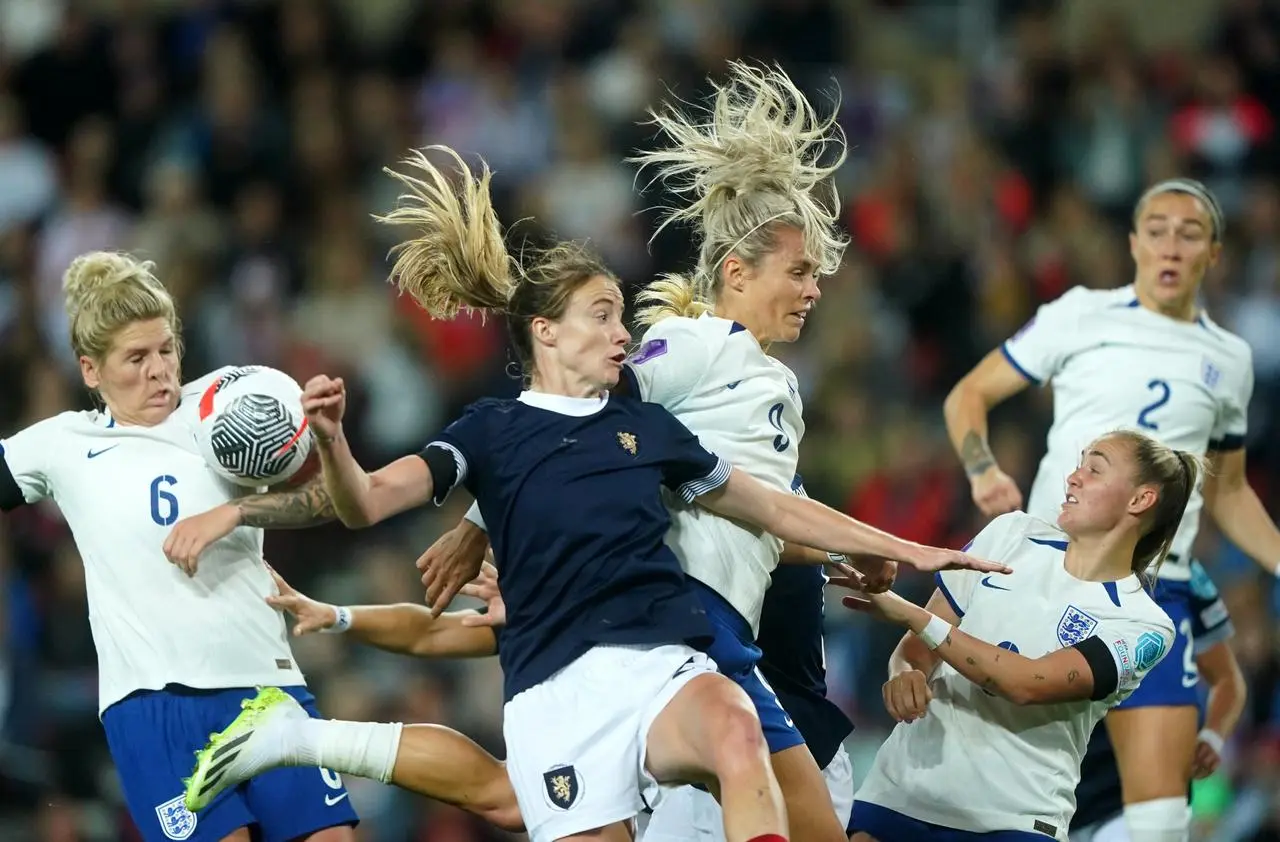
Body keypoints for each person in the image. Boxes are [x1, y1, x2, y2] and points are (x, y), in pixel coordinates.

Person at [178, 143, 1001, 842]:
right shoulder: (678, 355)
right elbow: (405, 506)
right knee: (511, 787)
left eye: (621, 320)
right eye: (605, 318)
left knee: (731, 751)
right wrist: (471, 510)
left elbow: (765, 507)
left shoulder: (679, 424)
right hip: (615, 653)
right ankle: (302, 737)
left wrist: (876, 547)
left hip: (682, 643)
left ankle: (301, 736)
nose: (624, 336)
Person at [423, 60, 877, 842]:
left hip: (766, 669)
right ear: (737, 272)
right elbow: (587, 412)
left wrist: (835, 554)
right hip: (693, 660)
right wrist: (480, 521)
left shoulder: (752, 390)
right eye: (800, 271)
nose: (814, 290)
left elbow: (746, 515)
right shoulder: (696, 345)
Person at [943, 178, 1273, 841]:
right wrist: (983, 470)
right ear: (1133, 244)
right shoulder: (1080, 315)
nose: (1170, 245)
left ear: (1214, 253)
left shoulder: (1229, 359)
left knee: (1158, 822)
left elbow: (1229, 490)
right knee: (1001, 799)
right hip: (1046, 576)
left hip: (1158, 590)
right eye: (1156, 229)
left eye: (1189, 232)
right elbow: (969, 394)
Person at [0, 252, 358, 842]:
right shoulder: (63, 443)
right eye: (135, 359)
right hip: (156, 705)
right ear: (91, 371)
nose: (159, 371)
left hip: (267, 686)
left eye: (166, 350)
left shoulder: (225, 405)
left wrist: (236, 509)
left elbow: (334, 501)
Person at [843, 430, 1192, 841]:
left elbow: (1026, 683)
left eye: (1094, 469)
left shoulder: (1143, 623)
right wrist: (904, 672)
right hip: (902, 791)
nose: (1073, 477)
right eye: (1079, 464)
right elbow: (918, 651)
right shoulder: (1010, 535)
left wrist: (910, 614)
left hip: (1012, 819)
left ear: (1140, 500)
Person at [1069, 562, 1247, 841]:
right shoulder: (1057, 557)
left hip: (1128, 809)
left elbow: (1228, 679)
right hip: (1060, 795)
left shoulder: (1181, 570)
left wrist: (1213, 735)